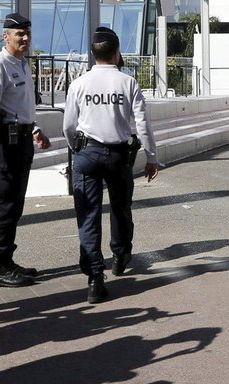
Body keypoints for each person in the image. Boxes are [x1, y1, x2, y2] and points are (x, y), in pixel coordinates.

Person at [62, 26, 159, 303]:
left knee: (88, 216)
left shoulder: (79, 84)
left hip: (87, 155)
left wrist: (77, 148)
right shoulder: (127, 83)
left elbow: (68, 125)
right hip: (118, 155)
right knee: (120, 209)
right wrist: (151, 157)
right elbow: (142, 123)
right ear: (117, 53)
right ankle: (120, 255)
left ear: (93, 54)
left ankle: (94, 278)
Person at [0, 12, 51, 288]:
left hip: (22, 139)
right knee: (5, 205)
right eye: (19, 34)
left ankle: (7, 261)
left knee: (16, 204)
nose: (25, 38)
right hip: (6, 143)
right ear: (5, 36)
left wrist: (34, 129)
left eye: (27, 33)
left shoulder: (20, 63)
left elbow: (20, 106)